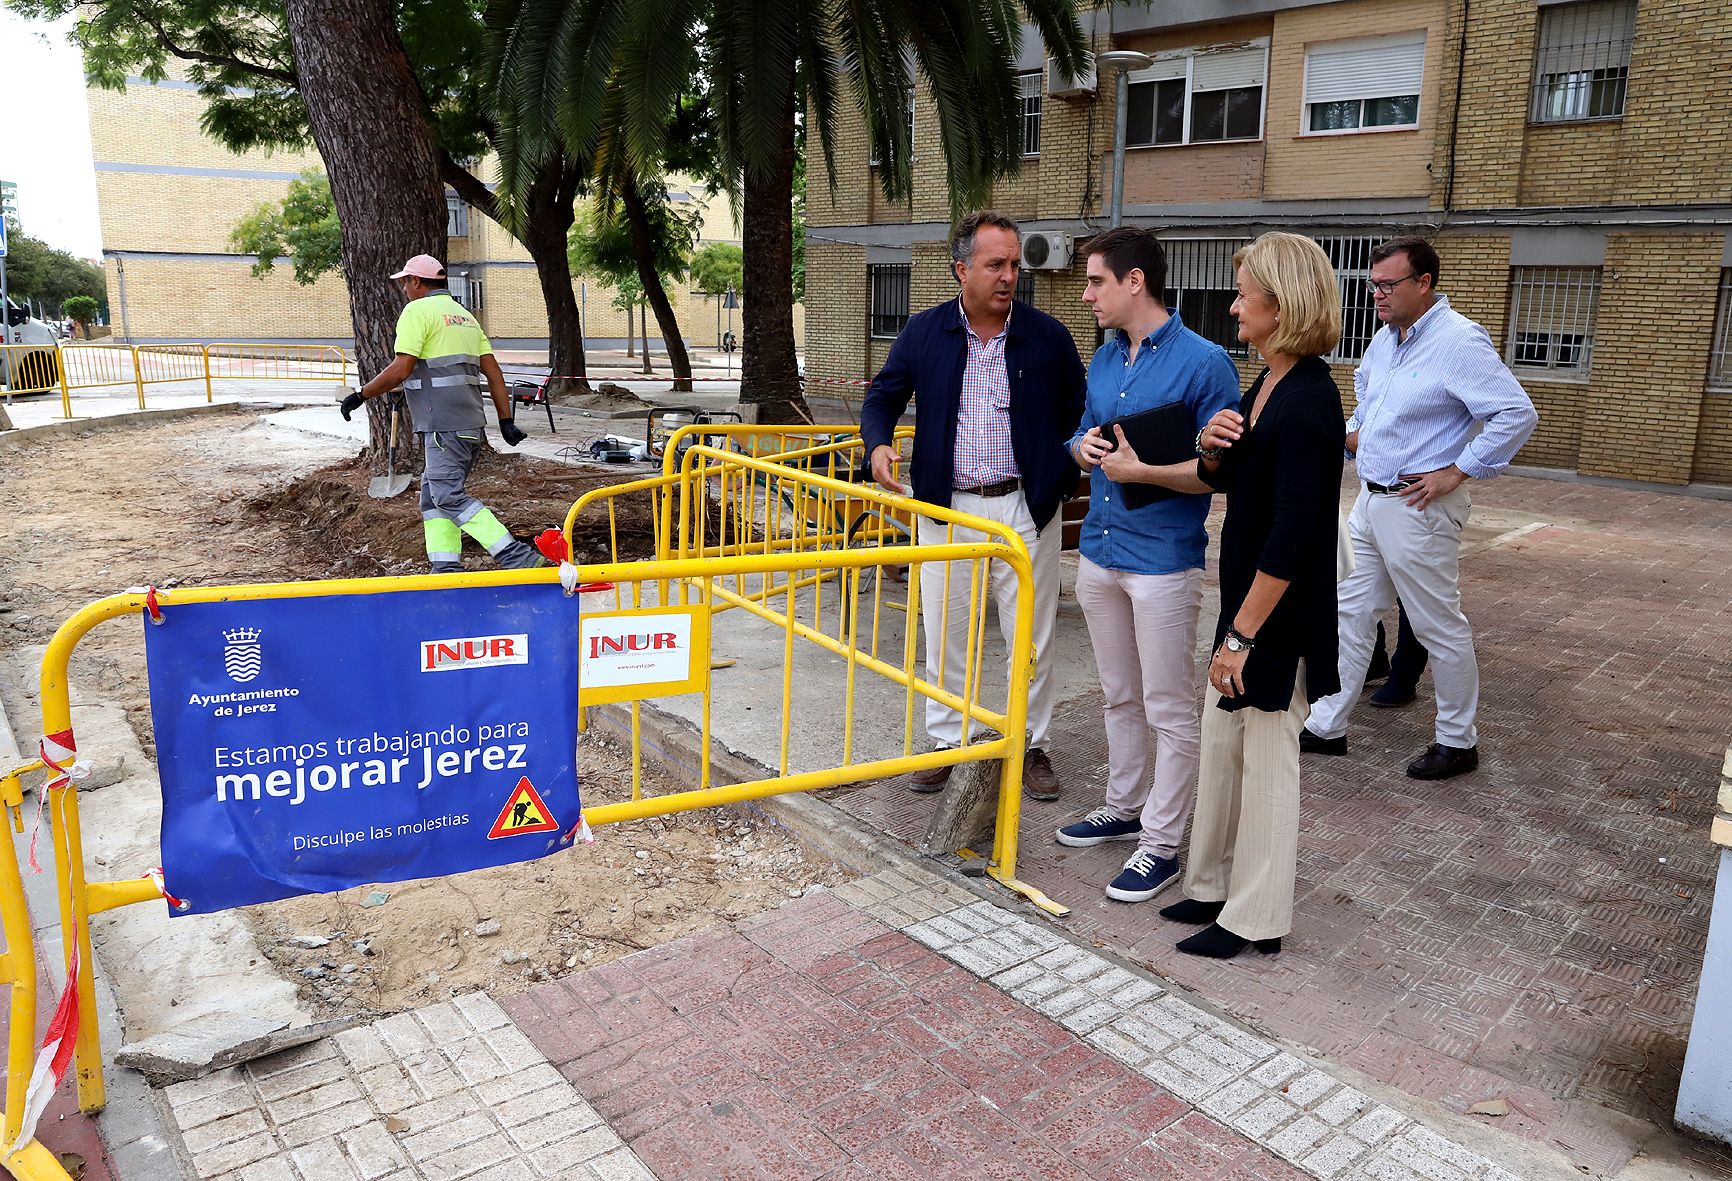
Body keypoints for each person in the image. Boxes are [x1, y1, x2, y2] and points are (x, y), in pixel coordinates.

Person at [1133, 233, 1346, 959]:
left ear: (1279, 305)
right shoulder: (1268, 383)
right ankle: (1213, 883)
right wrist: (1217, 445)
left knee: (1266, 761)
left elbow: (1293, 534)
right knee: (1224, 745)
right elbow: (1232, 481)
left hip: (1275, 616)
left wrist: (1241, 637)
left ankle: (1257, 919)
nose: (1232, 305)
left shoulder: (1311, 399)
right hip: (1247, 603)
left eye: (1243, 293)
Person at [860, 211, 1086, 800]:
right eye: (996, 264)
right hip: (949, 509)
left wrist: (1059, 474)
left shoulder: (1047, 337)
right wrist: (879, 444)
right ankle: (947, 739)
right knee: (947, 631)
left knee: (1031, 639)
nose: (1009, 275)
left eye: (1014, 264)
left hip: (1024, 509)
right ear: (961, 268)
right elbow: (882, 397)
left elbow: (1079, 410)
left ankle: (1029, 742)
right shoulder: (924, 332)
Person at [1300, 237, 1537, 779]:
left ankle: (1458, 742)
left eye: (1388, 285)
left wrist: (1457, 470)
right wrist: (1351, 434)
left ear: (1424, 283)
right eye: (1372, 285)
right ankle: (1326, 725)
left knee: (1437, 626)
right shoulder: (1384, 341)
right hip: (1370, 500)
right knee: (1350, 615)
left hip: (1419, 508)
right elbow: (1370, 407)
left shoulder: (1458, 341)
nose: (1376, 295)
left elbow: (1515, 413)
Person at [1057, 227, 1241, 903]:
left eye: (1095, 281)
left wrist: (1143, 469)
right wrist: (1083, 449)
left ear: (1135, 281)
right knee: (1118, 692)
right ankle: (1123, 804)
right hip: (1101, 550)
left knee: (1168, 704)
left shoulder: (1205, 363)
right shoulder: (1104, 359)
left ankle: (1160, 843)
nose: (1086, 294)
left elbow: (1220, 473)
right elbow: (1082, 428)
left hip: (1162, 559)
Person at [340, 255, 544, 574]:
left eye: (405, 282)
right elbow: (493, 373)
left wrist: (360, 394)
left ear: (417, 283)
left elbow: (401, 368)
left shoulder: (417, 311)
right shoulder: (464, 317)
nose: (404, 288)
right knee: (433, 499)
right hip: (469, 425)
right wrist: (506, 421)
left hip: (442, 425)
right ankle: (445, 567)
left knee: (447, 496)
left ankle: (519, 557)